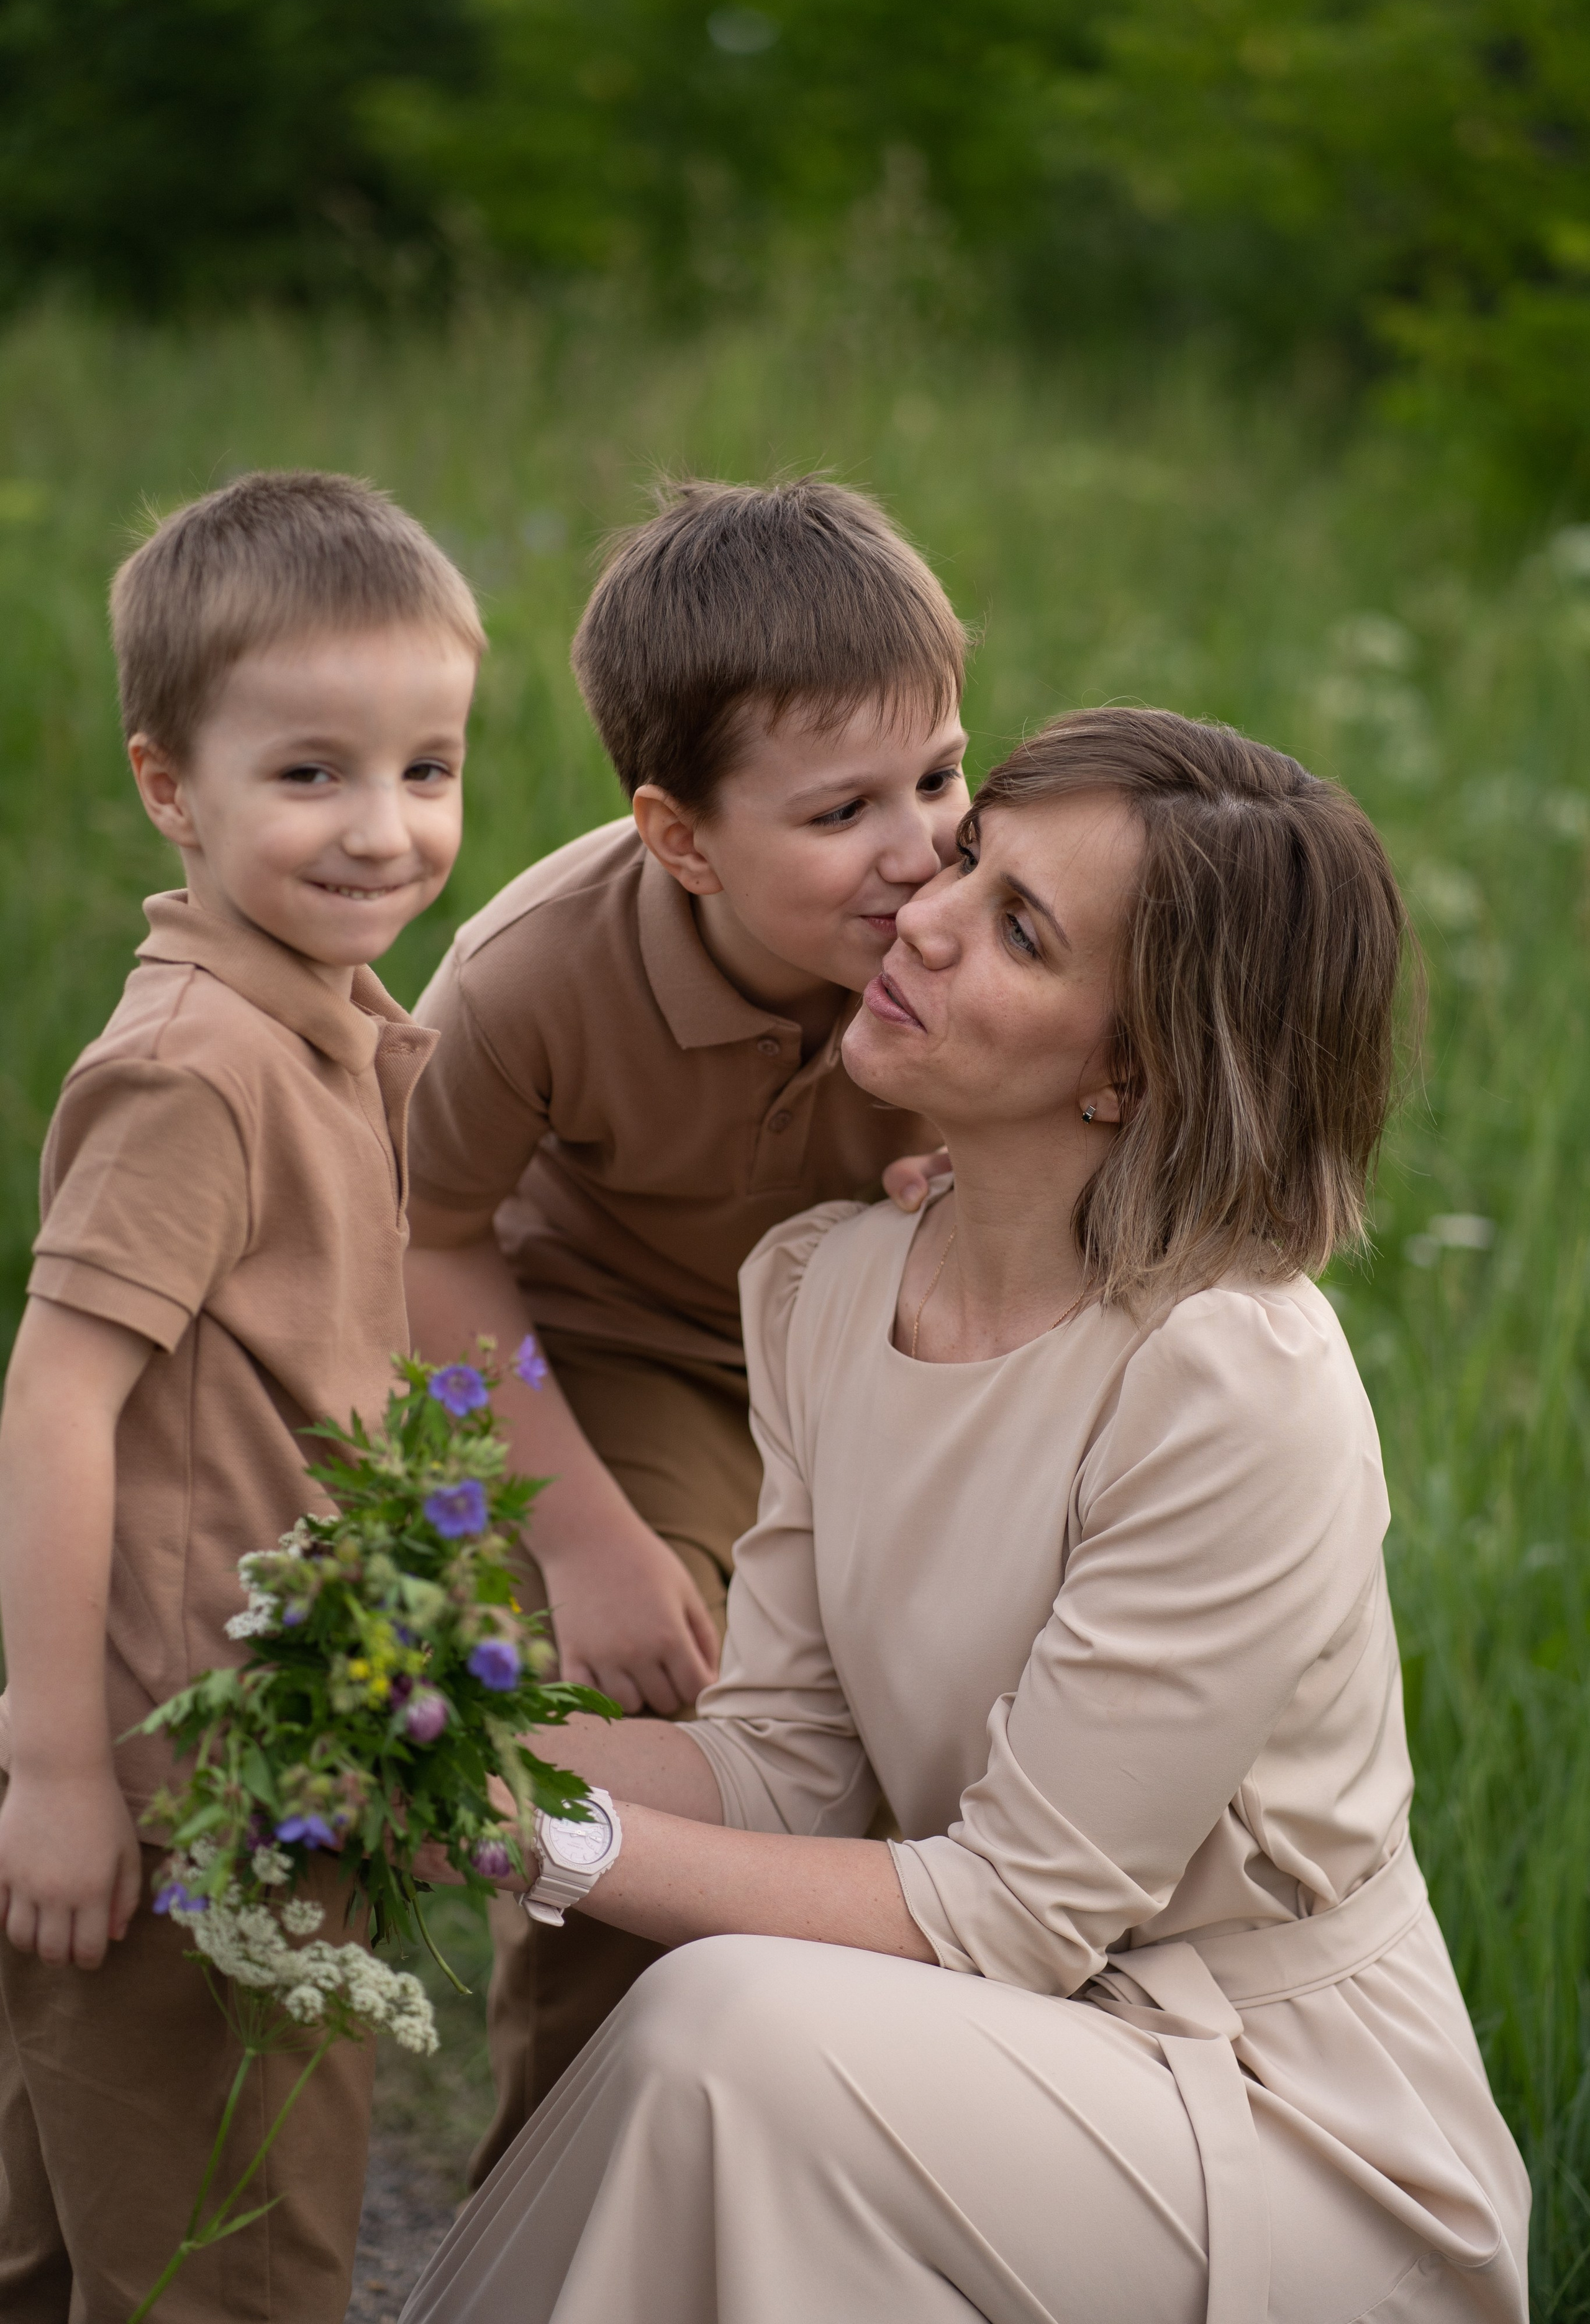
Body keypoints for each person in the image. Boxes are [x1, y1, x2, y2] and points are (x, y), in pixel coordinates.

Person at [403, 708, 1530, 2324]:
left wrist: (550, 1841)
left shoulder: (1229, 1378)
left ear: (1133, 1064)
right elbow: (779, 1766)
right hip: (986, 2058)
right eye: (975, 856)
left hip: (1276, 2125)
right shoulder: (824, 1283)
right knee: (730, 2034)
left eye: (1017, 927)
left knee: (731, 2032)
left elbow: (1010, 1913)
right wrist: (425, 1754)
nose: (920, 911)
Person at [402, 476, 959, 2166]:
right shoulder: (530, 979)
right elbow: (421, 1242)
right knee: (648, 1743)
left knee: (936, 1738)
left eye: (940, 772)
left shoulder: (973, 927)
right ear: (681, 838)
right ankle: (557, 2185)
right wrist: (579, 1538)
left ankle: (886, 2167)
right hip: (631, 1356)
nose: (922, 844)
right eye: (843, 810)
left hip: (890, 1358)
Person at [0, 470, 479, 2324]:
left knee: (67, 2236)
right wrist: (56, 1771)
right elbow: (54, 1404)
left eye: (427, 767)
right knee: (233, 2254)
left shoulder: (335, 1024)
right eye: (311, 774)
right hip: (177, 1784)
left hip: (266, 1746)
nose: (383, 829)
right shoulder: (198, 1069)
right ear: (167, 787)